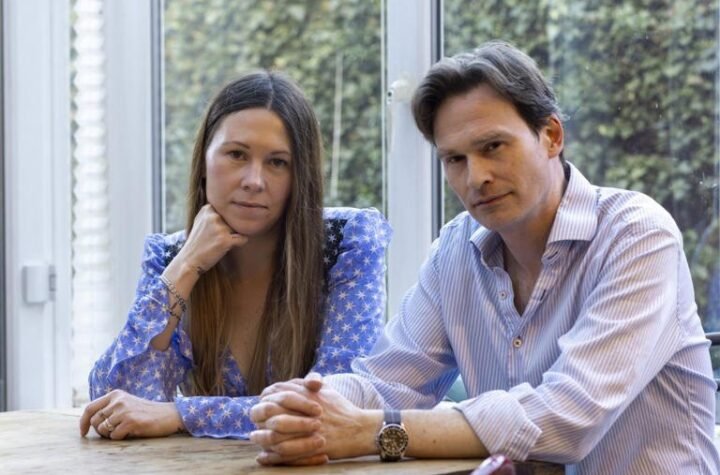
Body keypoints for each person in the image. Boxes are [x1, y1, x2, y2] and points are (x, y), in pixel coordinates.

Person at [249, 41, 720, 473]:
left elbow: (567, 416)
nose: (476, 178)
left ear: (551, 135)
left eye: (493, 147)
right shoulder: (457, 249)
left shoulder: (636, 233)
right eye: (455, 159)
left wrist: (375, 430)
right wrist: (306, 404)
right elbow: (388, 379)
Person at [78, 71, 391, 441]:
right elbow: (115, 401)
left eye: (277, 162)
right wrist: (186, 267)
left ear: (300, 176)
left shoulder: (346, 242)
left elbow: (331, 403)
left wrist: (182, 414)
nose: (254, 181)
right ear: (204, 161)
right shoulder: (170, 256)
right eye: (237, 154)